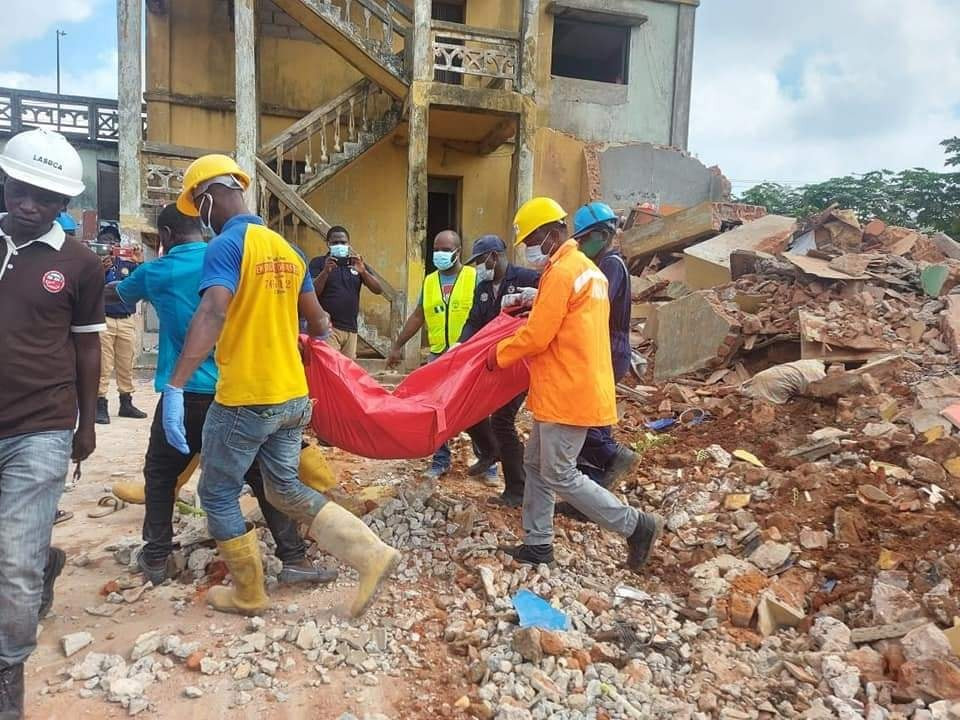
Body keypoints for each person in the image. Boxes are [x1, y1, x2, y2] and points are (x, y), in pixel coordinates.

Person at [163, 154, 399, 618]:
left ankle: (249, 594)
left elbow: (213, 311)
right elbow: (320, 323)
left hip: (247, 397)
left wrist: (176, 386)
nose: (202, 218)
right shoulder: (287, 249)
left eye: (198, 206)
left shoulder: (227, 246)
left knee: (217, 493)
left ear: (208, 197)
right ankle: (372, 554)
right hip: (291, 395)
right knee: (283, 488)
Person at [106, 203, 337, 588]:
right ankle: (294, 556)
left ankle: (158, 557)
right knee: (264, 478)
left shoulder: (157, 271)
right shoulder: (238, 255)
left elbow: (118, 296)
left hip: (190, 395)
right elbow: (309, 319)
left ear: (165, 236)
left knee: (162, 474)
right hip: (243, 392)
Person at [487, 197, 663, 569]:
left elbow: (537, 336)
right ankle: (538, 543)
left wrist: (497, 354)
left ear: (550, 233)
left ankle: (636, 526)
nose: (529, 248)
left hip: (568, 390)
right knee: (537, 464)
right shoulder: (585, 269)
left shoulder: (564, 271)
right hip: (569, 385)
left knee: (559, 472)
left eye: (531, 239)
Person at [0, 128, 103, 720]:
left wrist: (85, 424)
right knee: (16, 549)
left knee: (11, 564)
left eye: (44, 197)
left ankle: (7, 670)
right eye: (19, 188)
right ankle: (44, 562)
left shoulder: (79, 264)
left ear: (64, 203)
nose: (28, 204)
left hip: (41, 424)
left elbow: (87, 346)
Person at [386, 230, 477, 479]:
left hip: (468, 354)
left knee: (474, 408)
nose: (439, 254)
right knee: (436, 409)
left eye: (445, 249)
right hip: (438, 355)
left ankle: (487, 460)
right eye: (436, 249)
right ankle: (440, 459)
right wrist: (398, 345)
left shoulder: (473, 277)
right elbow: (419, 315)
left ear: (458, 251)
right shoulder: (429, 281)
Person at [458, 234, 540, 506]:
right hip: (493, 362)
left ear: (493, 256)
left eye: (480, 260)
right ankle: (490, 450)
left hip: (518, 364)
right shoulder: (483, 287)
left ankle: (517, 489)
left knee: (502, 421)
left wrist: (535, 298)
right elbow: (474, 322)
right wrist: (459, 345)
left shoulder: (527, 279)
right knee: (467, 405)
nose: (478, 267)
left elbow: (549, 309)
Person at [569, 202, 639, 489]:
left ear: (604, 235)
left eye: (585, 238)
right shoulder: (601, 264)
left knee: (580, 417)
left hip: (608, 348)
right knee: (594, 417)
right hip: (605, 346)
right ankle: (594, 487)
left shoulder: (610, 265)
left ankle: (613, 457)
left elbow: (592, 305)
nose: (580, 244)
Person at [96, 226, 148, 424]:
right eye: (105, 242)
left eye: (113, 242)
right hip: (104, 319)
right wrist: (101, 270)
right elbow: (87, 288)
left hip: (126, 319)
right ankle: (100, 404)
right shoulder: (93, 264)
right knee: (103, 365)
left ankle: (126, 403)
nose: (110, 246)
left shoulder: (128, 264)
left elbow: (143, 283)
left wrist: (139, 262)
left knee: (126, 364)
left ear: (118, 244)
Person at [308, 225, 383, 360]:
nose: (340, 245)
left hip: (351, 329)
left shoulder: (356, 263)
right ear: (328, 244)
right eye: (335, 243)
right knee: (330, 366)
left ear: (349, 244)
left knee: (347, 370)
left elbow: (378, 289)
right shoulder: (318, 263)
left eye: (343, 242)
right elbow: (312, 293)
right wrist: (325, 272)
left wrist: (363, 272)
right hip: (329, 329)